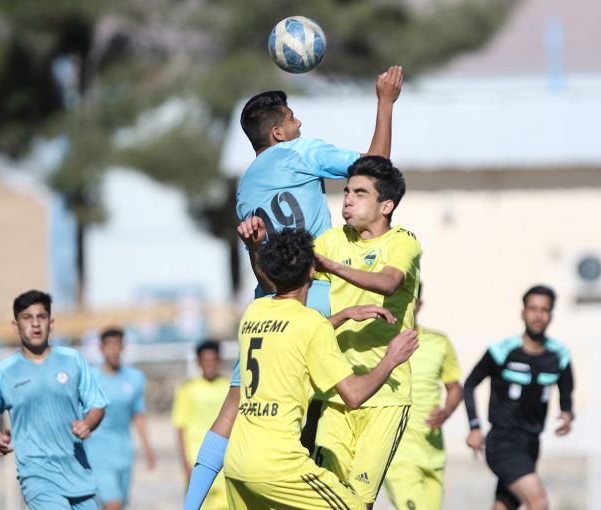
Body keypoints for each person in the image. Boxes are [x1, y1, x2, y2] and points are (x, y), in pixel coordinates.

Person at [185, 65, 404, 508]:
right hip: (315, 291)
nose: (299, 123)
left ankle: (190, 504)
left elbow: (264, 271)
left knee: (234, 407)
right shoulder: (299, 152)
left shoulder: (244, 189)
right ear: (278, 133)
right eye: (292, 118)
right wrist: (385, 103)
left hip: (266, 305)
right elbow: (375, 170)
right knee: (329, 408)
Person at [222, 228, 419, 510]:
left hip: (237, 463)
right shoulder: (311, 324)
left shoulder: (254, 313)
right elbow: (353, 395)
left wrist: (345, 314)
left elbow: (293, 332)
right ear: (312, 271)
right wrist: (391, 358)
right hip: (279, 464)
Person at [311, 155, 422, 508]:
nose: (347, 199)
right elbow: (288, 274)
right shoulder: (332, 240)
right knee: (327, 497)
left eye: (360, 193)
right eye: (346, 191)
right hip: (337, 389)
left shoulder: (403, 242)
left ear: (386, 206)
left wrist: (331, 267)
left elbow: (388, 283)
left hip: (386, 394)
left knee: (359, 501)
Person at [0, 290, 108, 510]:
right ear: (16, 325)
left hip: (77, 472)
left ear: (51, 323)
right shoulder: (4, 371)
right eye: (27, 317)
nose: (35, 323)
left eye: (42, 317)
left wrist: (88, 424)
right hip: (37, 475)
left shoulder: (72, 360)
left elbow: (97, 404)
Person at [464, 285, 575, 510]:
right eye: (533, 309)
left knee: (504, 506)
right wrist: (474, 426)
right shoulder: (502, 351)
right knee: (538, 502)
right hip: (503, 442)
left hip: (531, 443)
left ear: (551, 315)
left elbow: (566, 387)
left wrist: (567, 412)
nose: (538, 315)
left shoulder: (559, 355)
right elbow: (469, 384)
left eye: (544, 310)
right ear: (523, 313)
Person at [384, 283, 464, 510]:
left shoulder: (439, 342)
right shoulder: (377, 342)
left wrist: (446, 412)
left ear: (419, 305)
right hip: (397, 455)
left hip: (433, 453)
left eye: (408, 301)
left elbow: (455, 387)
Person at [84, 328, 156, 510]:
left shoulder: (135, 378)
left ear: (123, 347)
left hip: (124, 452)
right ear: (101, 348)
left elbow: (138, 414)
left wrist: (148, 448)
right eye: (109, 346)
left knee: (118, 504)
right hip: (97, 452)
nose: (114, 350)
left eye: (118, 345)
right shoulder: (90, 377)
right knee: (113, 504)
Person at [173, 341, 230, 510]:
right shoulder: (187, 389)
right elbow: (180, 428)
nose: (209, 364)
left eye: (213, 360)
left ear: (219, 360)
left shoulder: (230, 387)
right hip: (197, 463)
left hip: (225, 463)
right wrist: (186, 465)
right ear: (198, 362)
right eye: (205, 360)